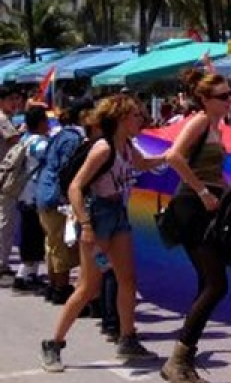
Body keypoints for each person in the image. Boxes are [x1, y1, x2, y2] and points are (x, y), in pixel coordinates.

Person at [41, 94, 165, 372]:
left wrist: (173, 153)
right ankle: (54, 342)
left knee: (127, 280)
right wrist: (85, 225)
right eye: (135, 115)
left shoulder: (126, 146)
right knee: (89, 286)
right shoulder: (103, 148)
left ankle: (127, 338)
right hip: (97, 216)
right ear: (121, 118)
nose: (140, 120)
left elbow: (143, 164)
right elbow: (75, 187)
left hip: (116, 212)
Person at [160, 71, 231, 383]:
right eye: (222, 96)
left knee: (209, 282)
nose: (229, 100)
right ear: (205, 100)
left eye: (229, 94)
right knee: (216, 284)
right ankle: (178, 359)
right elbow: (173, 156)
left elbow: (212, 170)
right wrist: (204, 192)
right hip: (193, 206)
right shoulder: (201, 121)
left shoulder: (217, 126)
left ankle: (184, 356)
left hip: (206, 206)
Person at [36, 98, 94, 305]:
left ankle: (54, 285)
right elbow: (67, 170)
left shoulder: (62, 135)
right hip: (55, 196)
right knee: (60, 244)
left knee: (52, 242)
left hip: (43, 192)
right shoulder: (73, 138)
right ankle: (61, 288)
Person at [12, 105, 51, 292]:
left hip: (24, 194)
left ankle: (30, 274)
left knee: (32, 235)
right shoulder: (40, 144)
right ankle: (22, 276)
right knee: (33, 236)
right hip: (34, 195)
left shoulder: (25, 139)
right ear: (42, 122)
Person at [0, 86, 26, 286]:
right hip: (5, 176)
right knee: (5, 220)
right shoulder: (2, 119)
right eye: (11, 99)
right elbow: (14, 141)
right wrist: (23, 132)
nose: (14, 103)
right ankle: (1, 264)